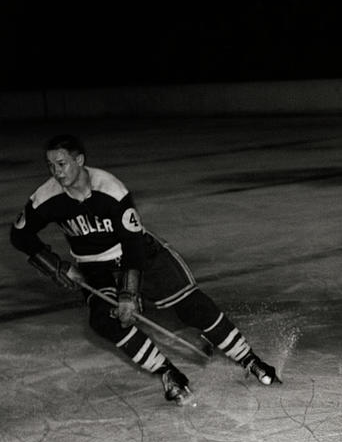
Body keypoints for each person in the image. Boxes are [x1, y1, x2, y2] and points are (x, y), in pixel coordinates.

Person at [10, 134, 281, 406]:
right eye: (50, 166)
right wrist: (57, 266)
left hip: (139, 253)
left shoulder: (111, 191)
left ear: (79, 161)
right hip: (94, 266)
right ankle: (168, 372)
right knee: (104, 319)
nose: (56, 172)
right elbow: (19, 236)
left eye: (62, 164)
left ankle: (250, 360)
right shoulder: (47, 197)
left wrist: (128, 293)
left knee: (192, 306)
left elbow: (133, 245)